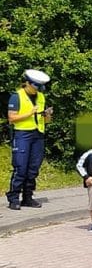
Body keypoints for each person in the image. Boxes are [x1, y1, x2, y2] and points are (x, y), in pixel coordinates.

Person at [5, 69, 53, 210]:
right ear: (27, 83)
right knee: (20, 167)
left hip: (38, 135)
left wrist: (47, 115)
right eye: (36, 86)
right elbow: (12, 118)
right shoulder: (16, 96)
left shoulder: (41, 97)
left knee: (33, 168)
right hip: (22, 135)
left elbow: (46, 120)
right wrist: (29, 113)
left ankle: (27, 198)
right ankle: (13, 198)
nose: (38, 89)